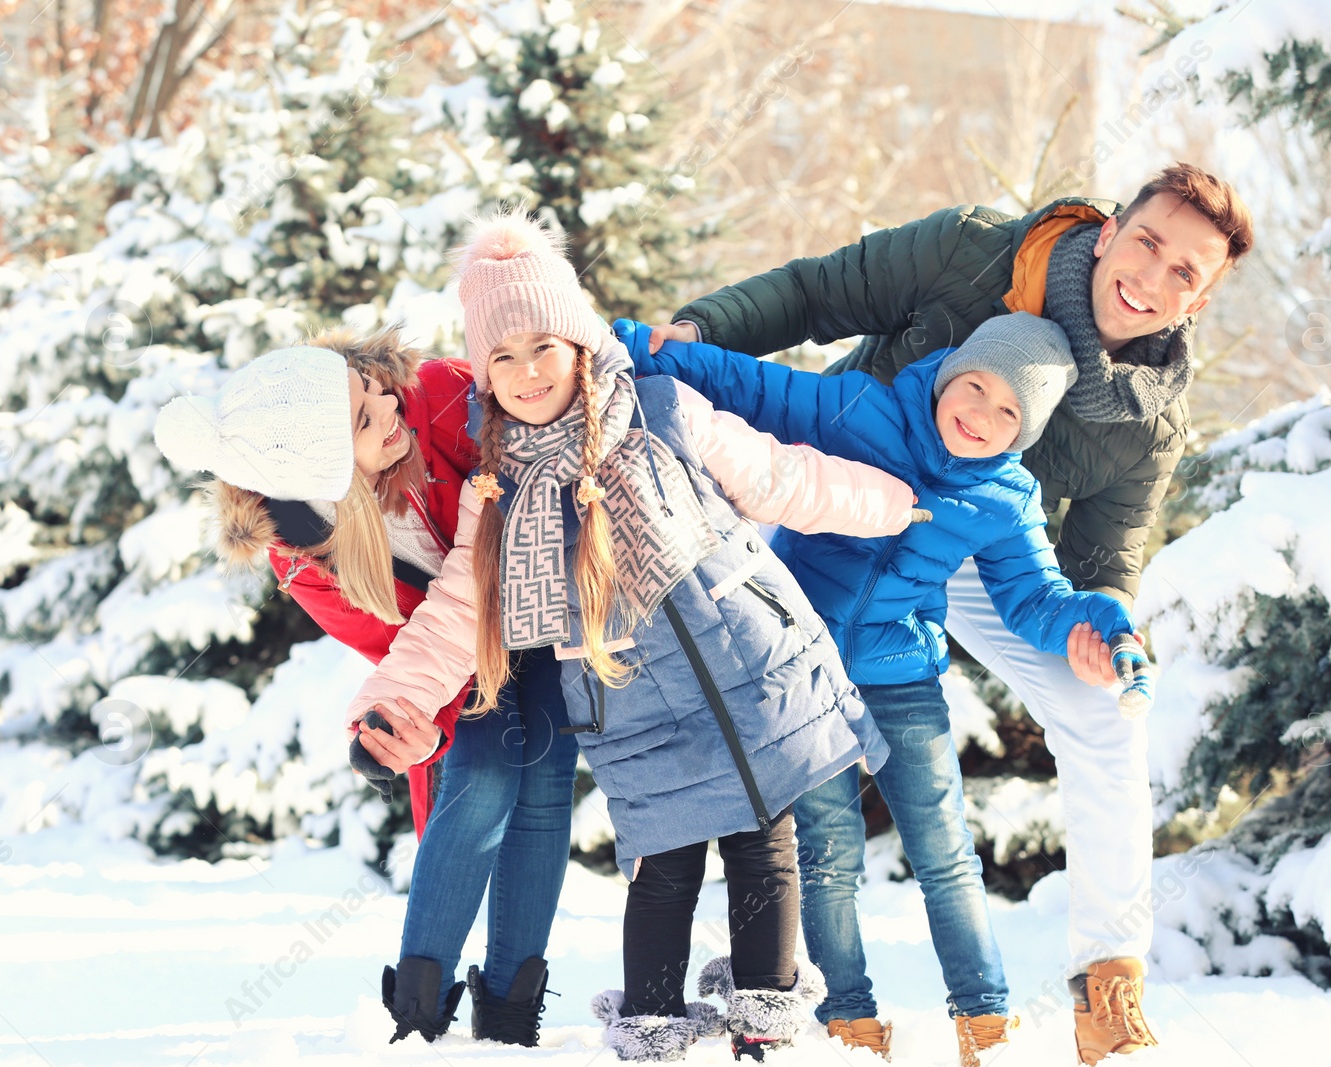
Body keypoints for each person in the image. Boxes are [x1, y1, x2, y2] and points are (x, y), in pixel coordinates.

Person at [643, 161, 1254, 1064]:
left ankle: (1108, 987)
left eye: (1186, 274)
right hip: (831, 489)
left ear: (1198, 301)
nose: (1153, 278)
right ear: (1115, 225)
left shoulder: (1147, 418)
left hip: (973, 544)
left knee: (1106, 712)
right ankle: (759, 977)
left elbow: (1104, 553)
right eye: (1150, 243)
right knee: (752, 711)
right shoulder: (975, 249)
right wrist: (697, 329)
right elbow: (818, 291)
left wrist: (1106, 623)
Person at [344, 210, 920, 1061]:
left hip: (747, 669)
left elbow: (780, 477)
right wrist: (391, 700)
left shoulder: (662, 412)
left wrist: (890, 501)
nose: (526, 371)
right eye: (501, 357)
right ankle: (652, 1034)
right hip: (630, 710)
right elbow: (457, 611)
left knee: (767, 849)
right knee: (664, 873)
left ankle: (764, 1033)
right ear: (485, 375)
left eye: (542, 345)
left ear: (579, 341)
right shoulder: (497, 490)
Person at [621, 310, 1137, 1066]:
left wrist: (1099, 620)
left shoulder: (1005, 498)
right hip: (805, 671)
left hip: (905, 675)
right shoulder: (861, 410)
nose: (982, 416)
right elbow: (749, 384)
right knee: (830, 854)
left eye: (1008, 413)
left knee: (946, 852)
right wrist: (635, 347)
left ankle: (985, 1019)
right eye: (977, 387)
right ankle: (849, 1020)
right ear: (953, 372)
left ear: (1026, 430)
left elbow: (1035, 597)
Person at [153, 327, 573, 1047]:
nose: (391, 407)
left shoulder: (436, 394)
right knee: (486, 775)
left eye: (373, 390)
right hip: (459, 667)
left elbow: (534, 437)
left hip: (545, 607)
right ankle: (418, 1014)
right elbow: (407, 649)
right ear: (319, 472)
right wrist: (414, 724)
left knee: (542, 785)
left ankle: (509, 1011)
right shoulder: (311, 562)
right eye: (364, 418)